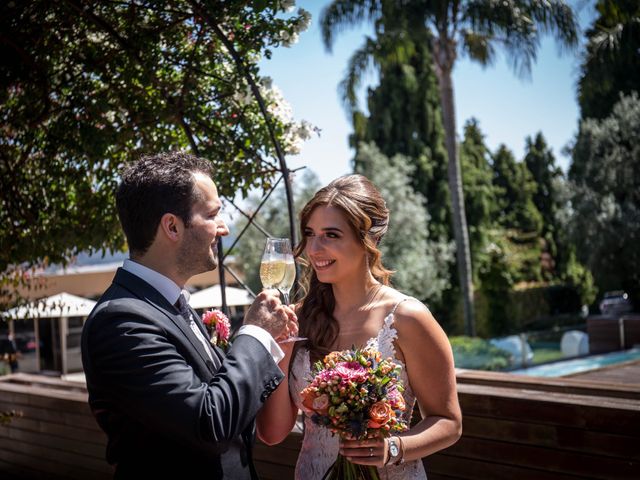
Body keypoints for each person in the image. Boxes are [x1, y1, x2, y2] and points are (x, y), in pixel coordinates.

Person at [81, 152, 298, 479]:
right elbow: (209, 423)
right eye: (213, 214)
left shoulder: (171, 305)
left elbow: (229, 405)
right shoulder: (122, 322)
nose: (224, 228)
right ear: (172, 226)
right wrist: (254, 334)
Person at [256, 174, 462, 479]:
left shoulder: (406, 317)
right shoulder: (298, 318)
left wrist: (393, 448)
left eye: (331, 235)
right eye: (310, 234)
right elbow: (271, 433)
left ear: (370, 239)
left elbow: (448, 422)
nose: (314, 248)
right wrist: (282, 345)